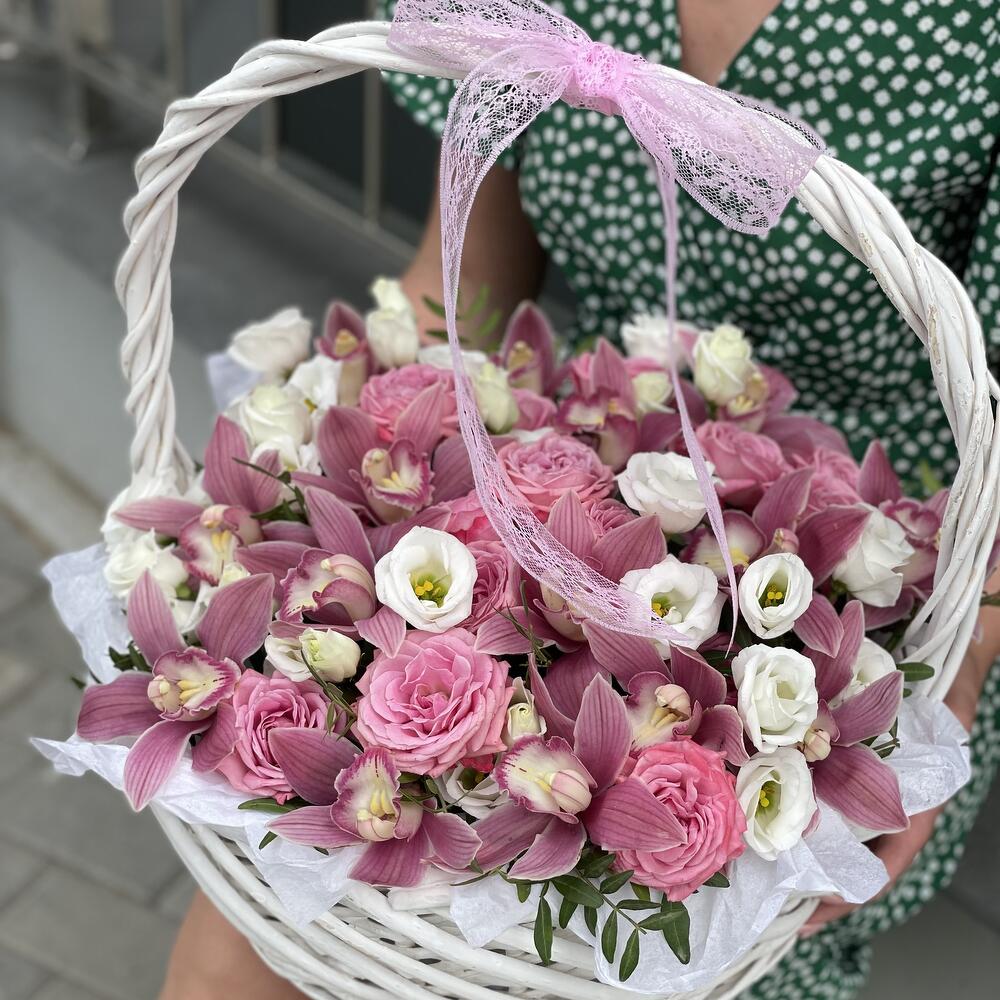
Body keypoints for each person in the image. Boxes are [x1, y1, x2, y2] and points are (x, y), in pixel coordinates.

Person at [159, 1, 1000, 996]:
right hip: (585, 465)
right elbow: (460, 286)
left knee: (676, 945)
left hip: (890, 573)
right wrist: (323, 455)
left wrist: (954, 673)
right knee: (251, 949)